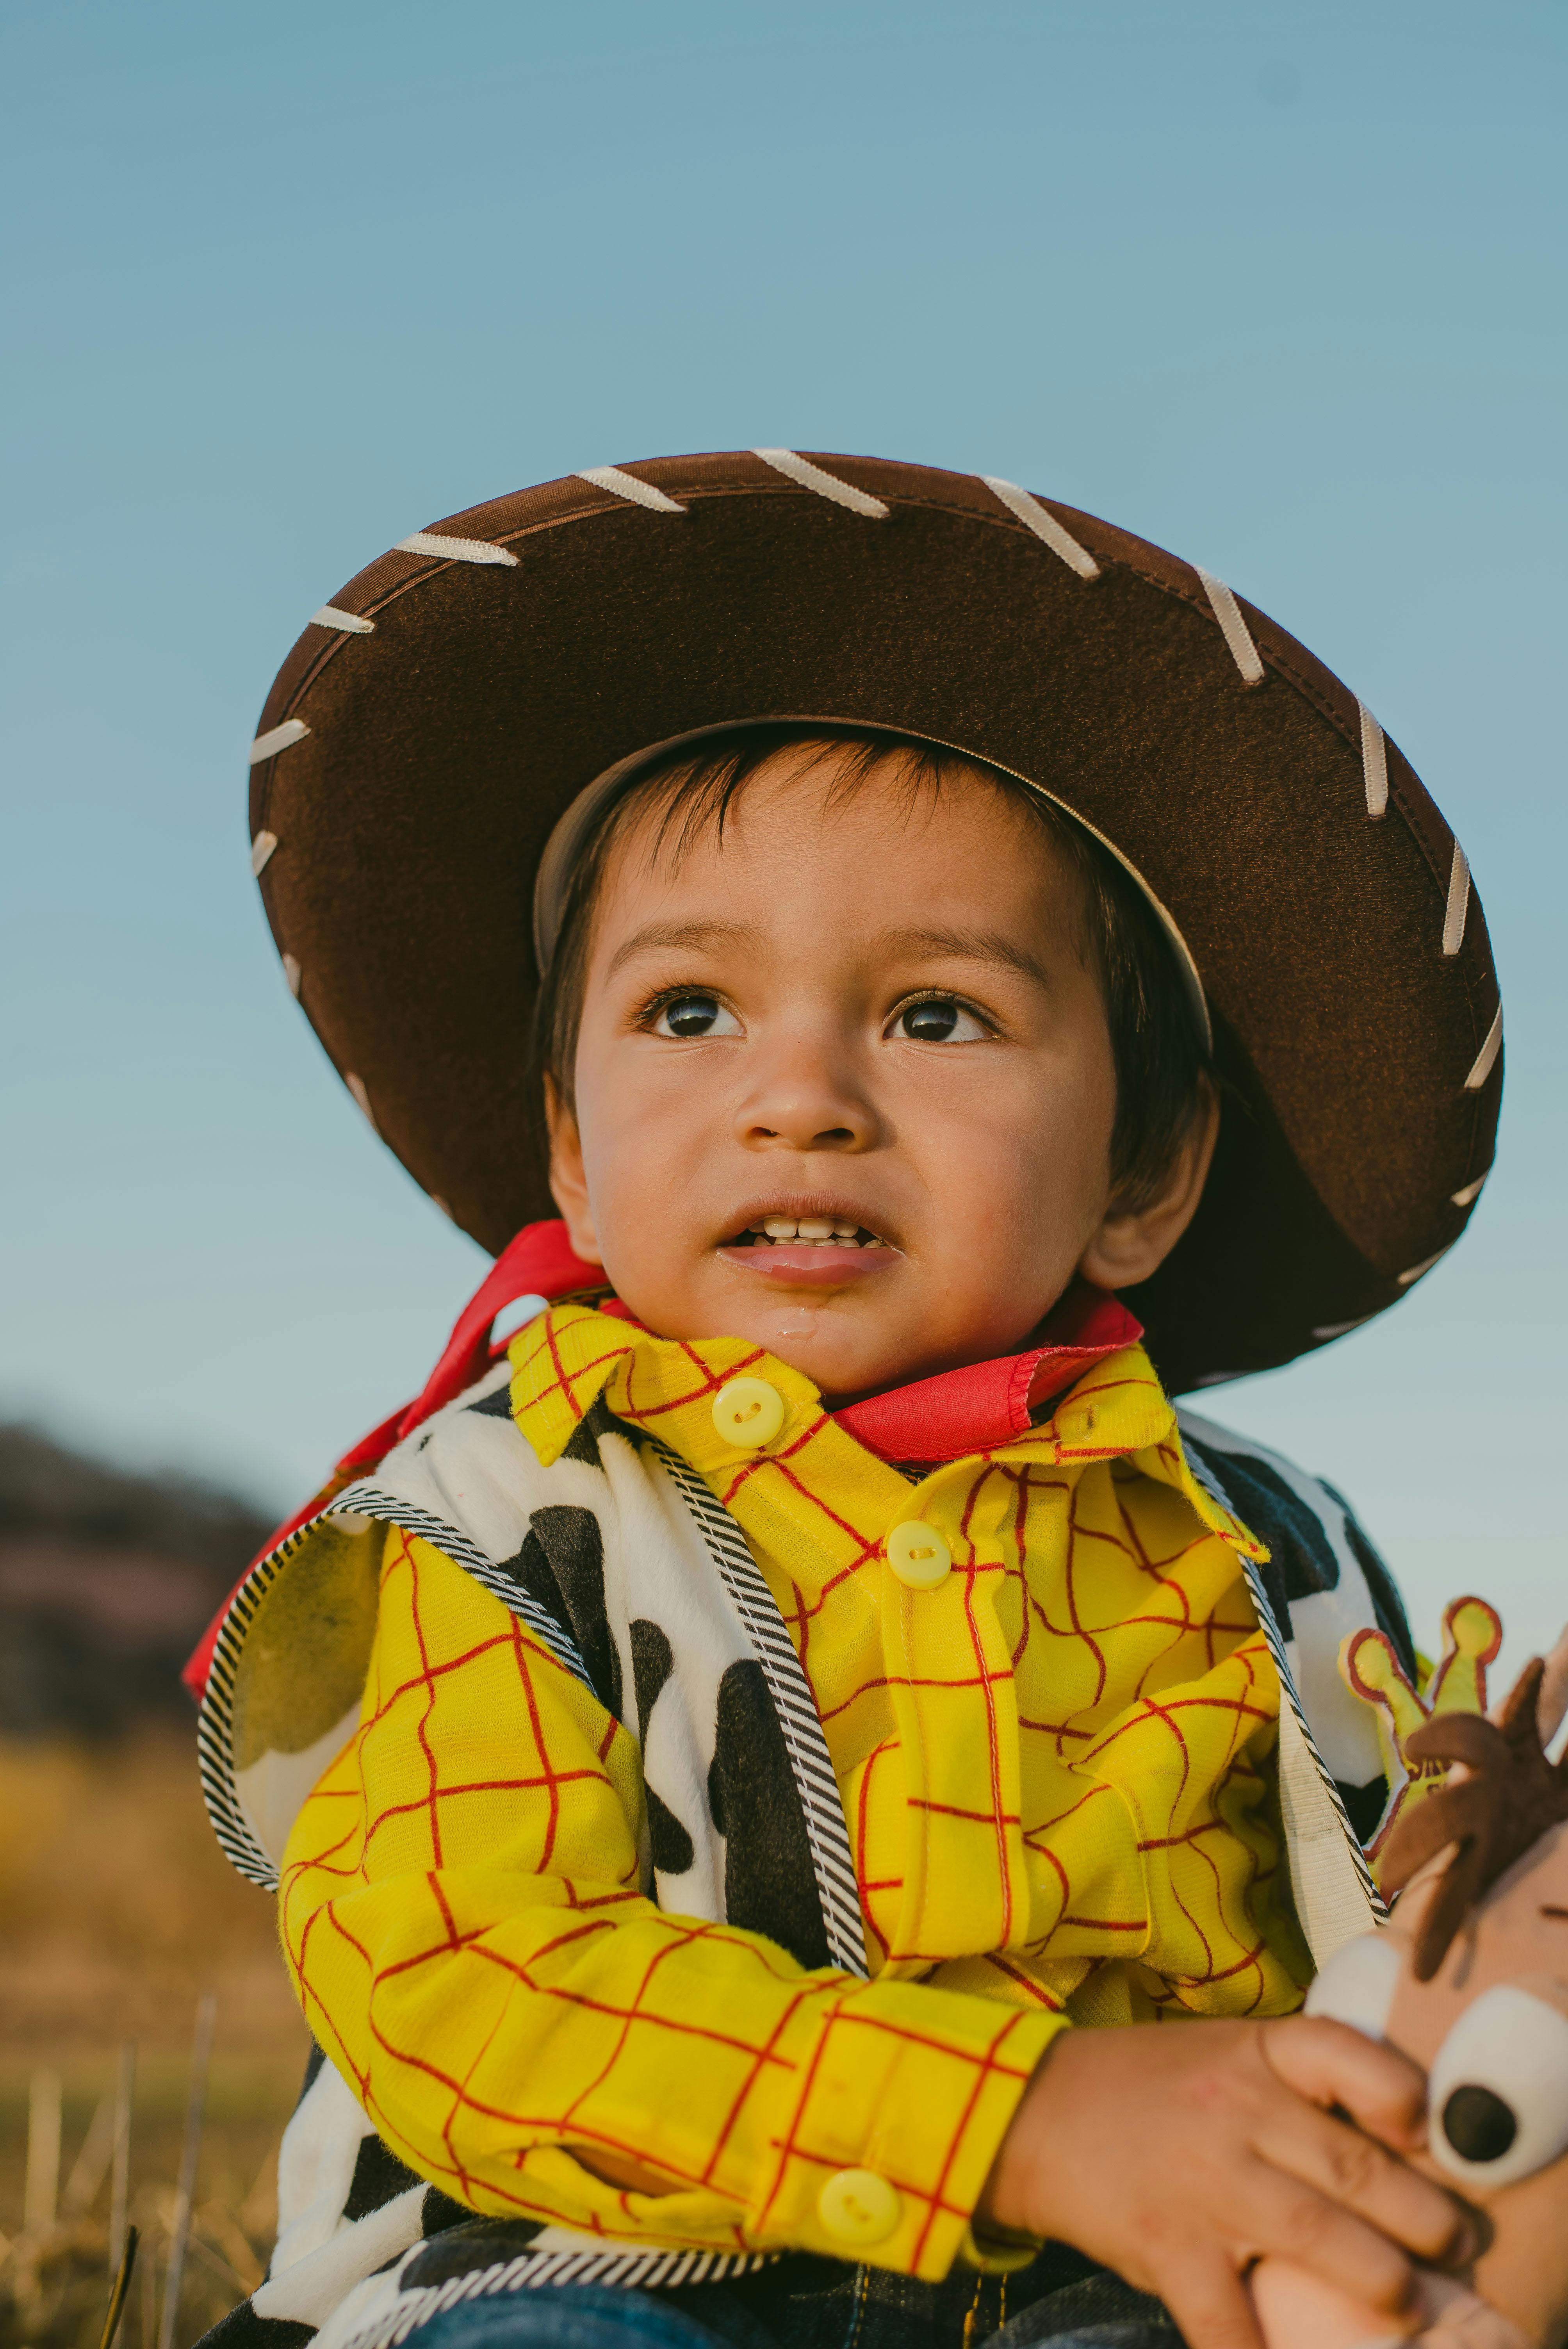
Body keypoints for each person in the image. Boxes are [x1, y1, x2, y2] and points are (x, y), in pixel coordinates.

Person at [189, 453, 1504, 2349]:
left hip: (1114, 2292)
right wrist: (1020, 2113)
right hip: (593, 2270)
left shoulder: (1260, 1557)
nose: (797, 1092)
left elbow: (1375, 1943)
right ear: (569, 1148)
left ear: (1141, 1171)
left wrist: (1474, 1901)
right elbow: (470, 1981)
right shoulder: (492, 1522)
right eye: (688, 1012)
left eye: (934, 1014)